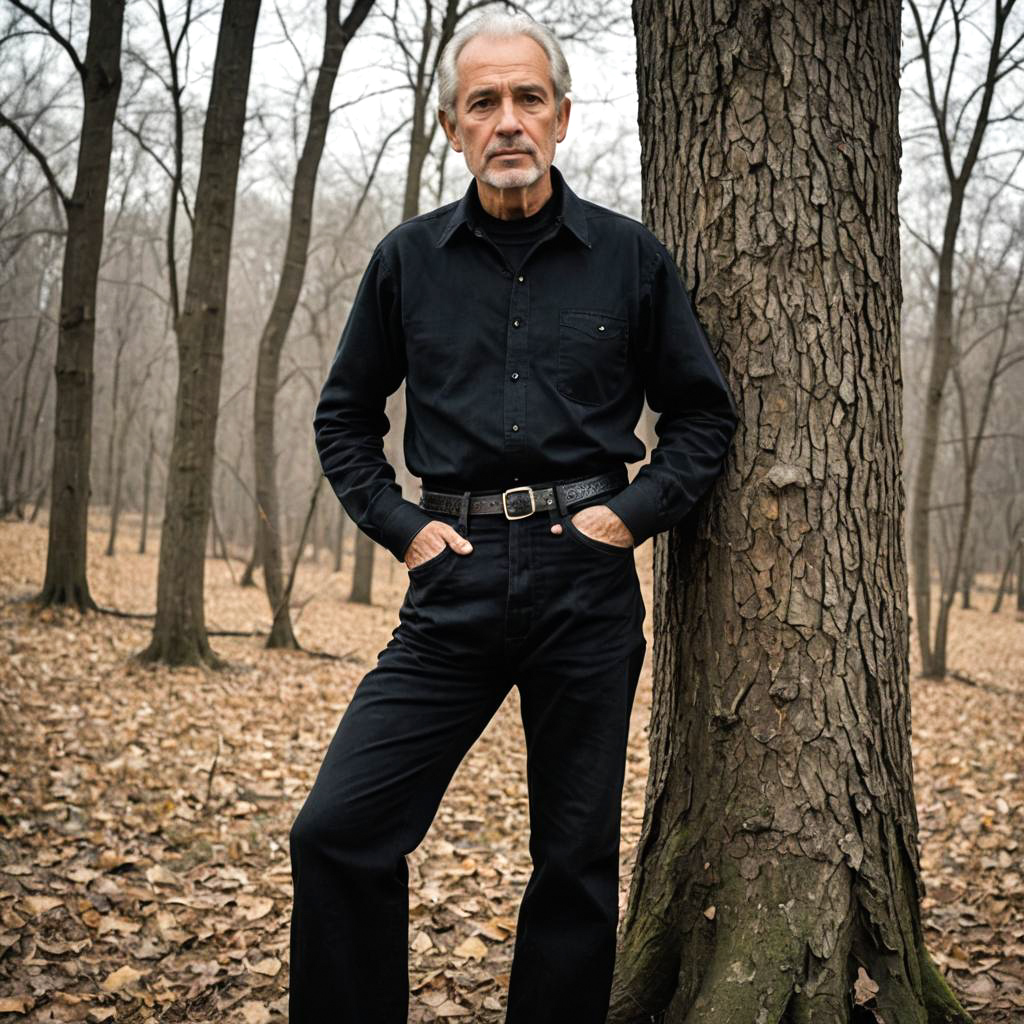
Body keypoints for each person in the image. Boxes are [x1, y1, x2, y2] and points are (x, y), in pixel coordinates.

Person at [288, 11, 737, 1023]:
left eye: (527, 98)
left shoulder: (629, 259)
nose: (507, 121)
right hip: (451, 576)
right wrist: (400, 526)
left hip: (585, 575)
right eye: (482, 102)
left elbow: (702, 415)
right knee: (336, 829)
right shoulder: (407, 261)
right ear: (452, 126)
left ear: (562, 116)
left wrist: (626, 519)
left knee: (573, 863)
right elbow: (345, 416)